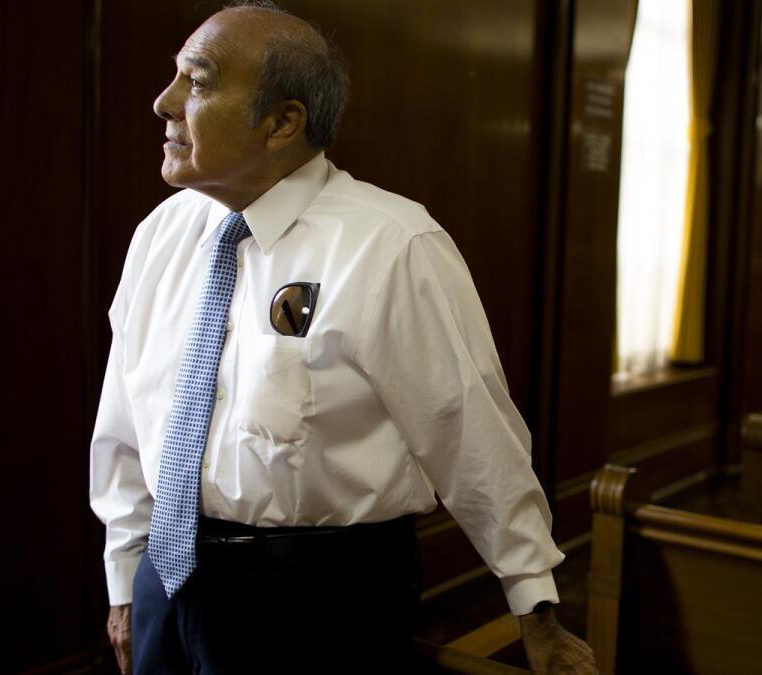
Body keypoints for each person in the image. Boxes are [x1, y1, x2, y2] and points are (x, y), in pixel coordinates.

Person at [88, 2, 596, 673]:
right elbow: (124, 424)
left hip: (316, 602)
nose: (165, 102)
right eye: (174, 77)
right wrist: (125, 580)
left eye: (199, 81)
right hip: (168, 579)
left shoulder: (391, 245)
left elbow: (471, 434)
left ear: (282, 122)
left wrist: (536, 608)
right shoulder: (161, 236)